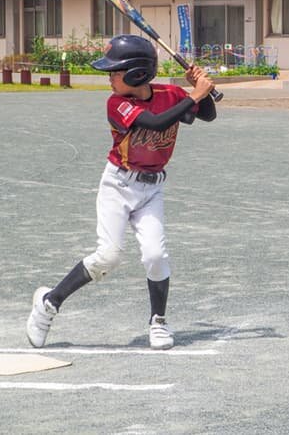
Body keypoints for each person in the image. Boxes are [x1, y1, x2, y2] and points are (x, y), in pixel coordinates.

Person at [26, 34, 217, 351]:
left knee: (156, 255)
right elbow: (155, 124)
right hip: (118, 185)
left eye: (115, 72)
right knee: (108, 257)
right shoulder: (117, 104)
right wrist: (195, 94)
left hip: (152, 189)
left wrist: (201, 90)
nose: (110, 78)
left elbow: (206, 114)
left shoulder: (171, 94)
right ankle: (49, 302)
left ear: (136, 73)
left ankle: (158, 321)